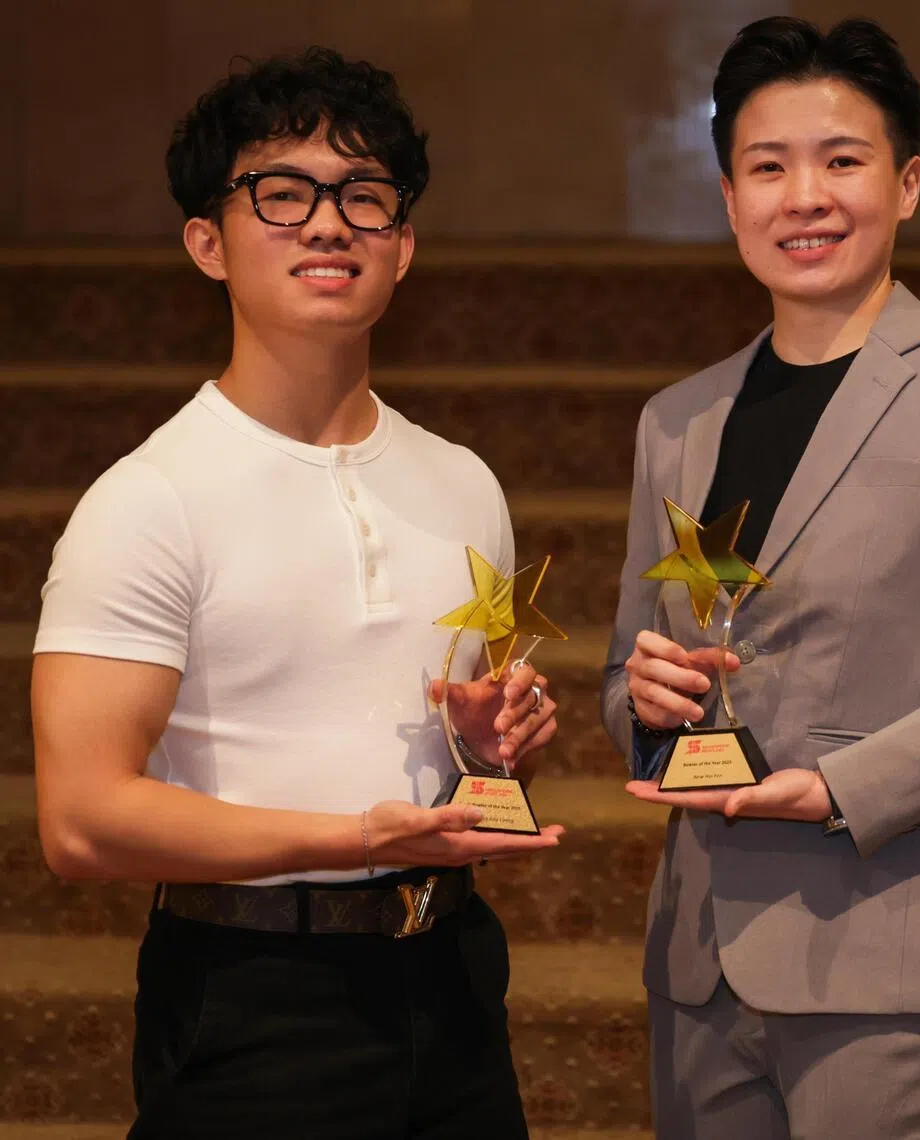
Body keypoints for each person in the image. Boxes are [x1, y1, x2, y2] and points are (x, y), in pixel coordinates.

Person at [32, 48, 562, 1140]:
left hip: (455, 976)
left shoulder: (467, 483)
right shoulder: (148, 500)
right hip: (251, 995)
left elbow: (478, 756)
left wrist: (492, 746)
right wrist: (350, 834)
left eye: (364, 196)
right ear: (207, 243)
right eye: (283, 193)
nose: (329, 224)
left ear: (403, 247)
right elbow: (81, 822)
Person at [601, 17, 920, 1140]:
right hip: (699, 973)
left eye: (843, 160)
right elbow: (624, 675)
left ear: (908, 184)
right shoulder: (677, 419)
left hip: (901, 977)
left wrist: (839, 789)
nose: (805, 196)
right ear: (730, 199)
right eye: (768, 167)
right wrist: (640, 703)